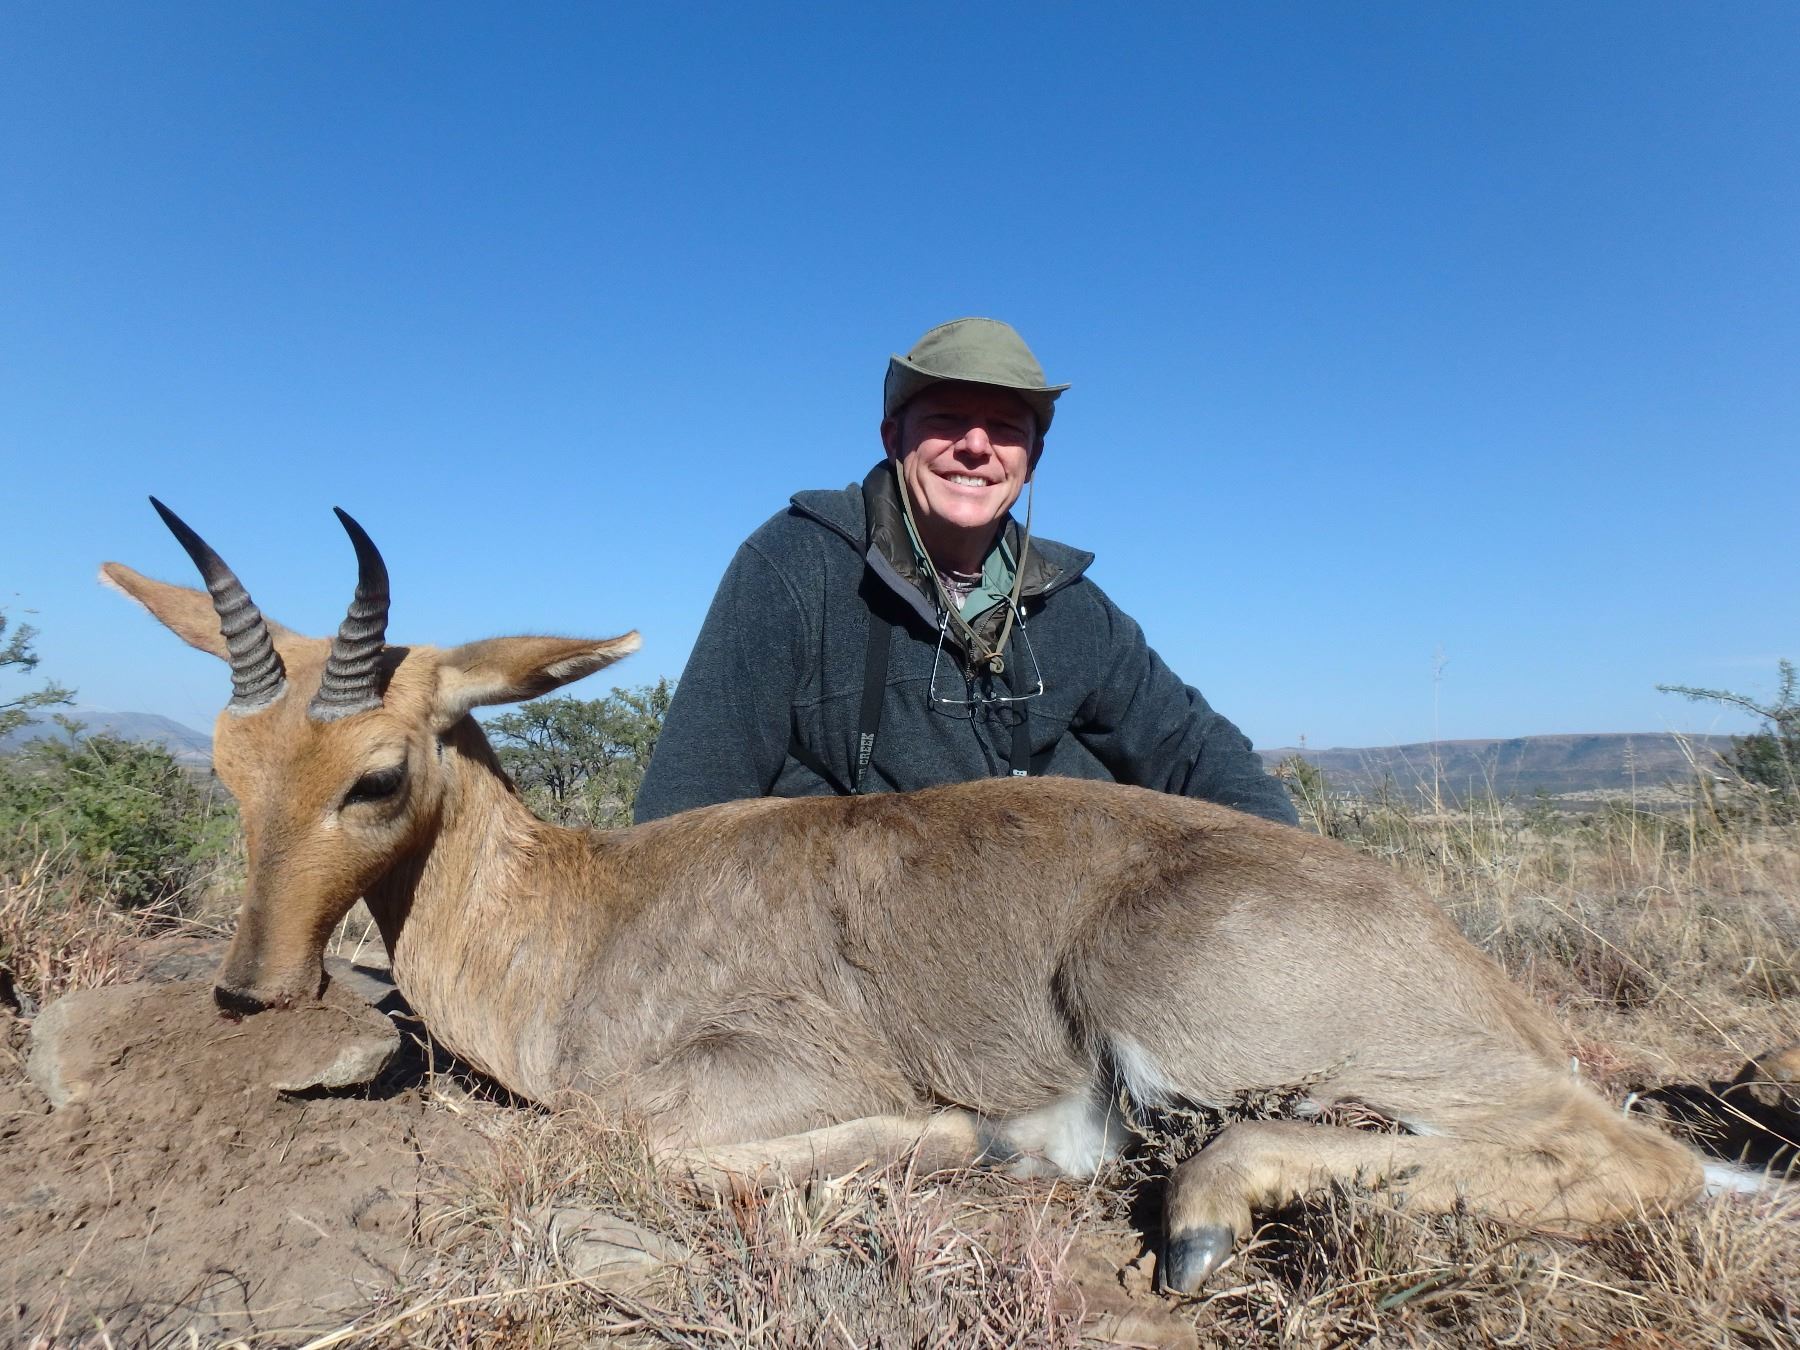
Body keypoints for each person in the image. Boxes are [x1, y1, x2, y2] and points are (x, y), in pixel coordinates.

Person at [633, 317, 1298, 827]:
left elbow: (1198, 753)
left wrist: (1288, 874)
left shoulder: (1073, 607)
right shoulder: (795, 565)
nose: (976, 447)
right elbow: (684, 812)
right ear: (893, 439)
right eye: (948, 419)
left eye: (1005, 428)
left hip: (1042, 944)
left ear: (1032, 459)